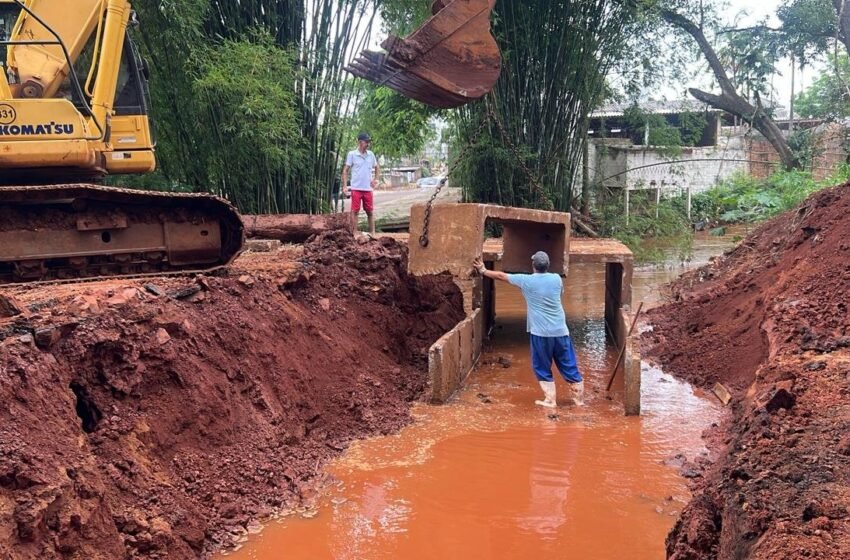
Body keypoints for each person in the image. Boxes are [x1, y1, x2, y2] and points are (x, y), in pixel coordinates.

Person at [473, 251, 584, 408]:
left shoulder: (526, 281)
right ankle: (579, 401)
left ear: (533, 265)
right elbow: (558, 295)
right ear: (548, 265)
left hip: (541, 333)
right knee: (569, 364)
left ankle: (550, 400)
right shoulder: (557, 279)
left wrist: (483, 270)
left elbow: (501, 276)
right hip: (561, 331)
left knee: (541, 366)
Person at [342, 132, 380, 234]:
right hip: (356, 188)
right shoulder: (352, 154)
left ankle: (372, 233)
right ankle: (354, 233)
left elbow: (377, 167)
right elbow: (346, 170)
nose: (368, 144)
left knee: (370, 212)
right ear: (360, 142)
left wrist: (376, 179)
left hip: (368, 188)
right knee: (355, 211)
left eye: (368, 142)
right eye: (366, 142)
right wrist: (345, 186)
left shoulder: (371, 154)